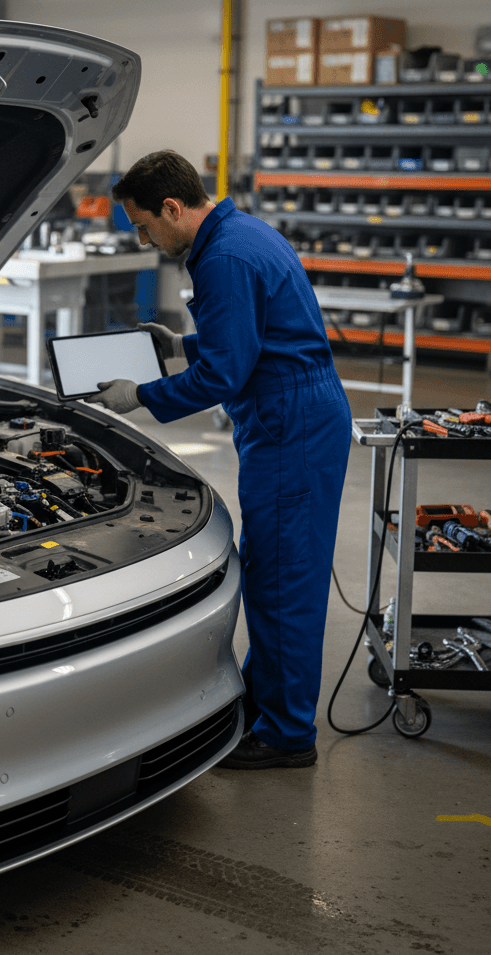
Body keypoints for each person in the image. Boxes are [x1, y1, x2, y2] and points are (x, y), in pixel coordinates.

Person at [89, 150, 352, 770]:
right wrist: (178, 343)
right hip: (296, 412)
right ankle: (267, 701)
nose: (143, 237)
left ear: (172, 208)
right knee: (275, 570)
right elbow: (255, 332)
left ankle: (287, 735)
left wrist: (142, 396)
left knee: (284, 581)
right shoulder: (243, 234)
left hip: (291, 422)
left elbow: (226, 372)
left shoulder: (224, 259)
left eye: (143, 225)